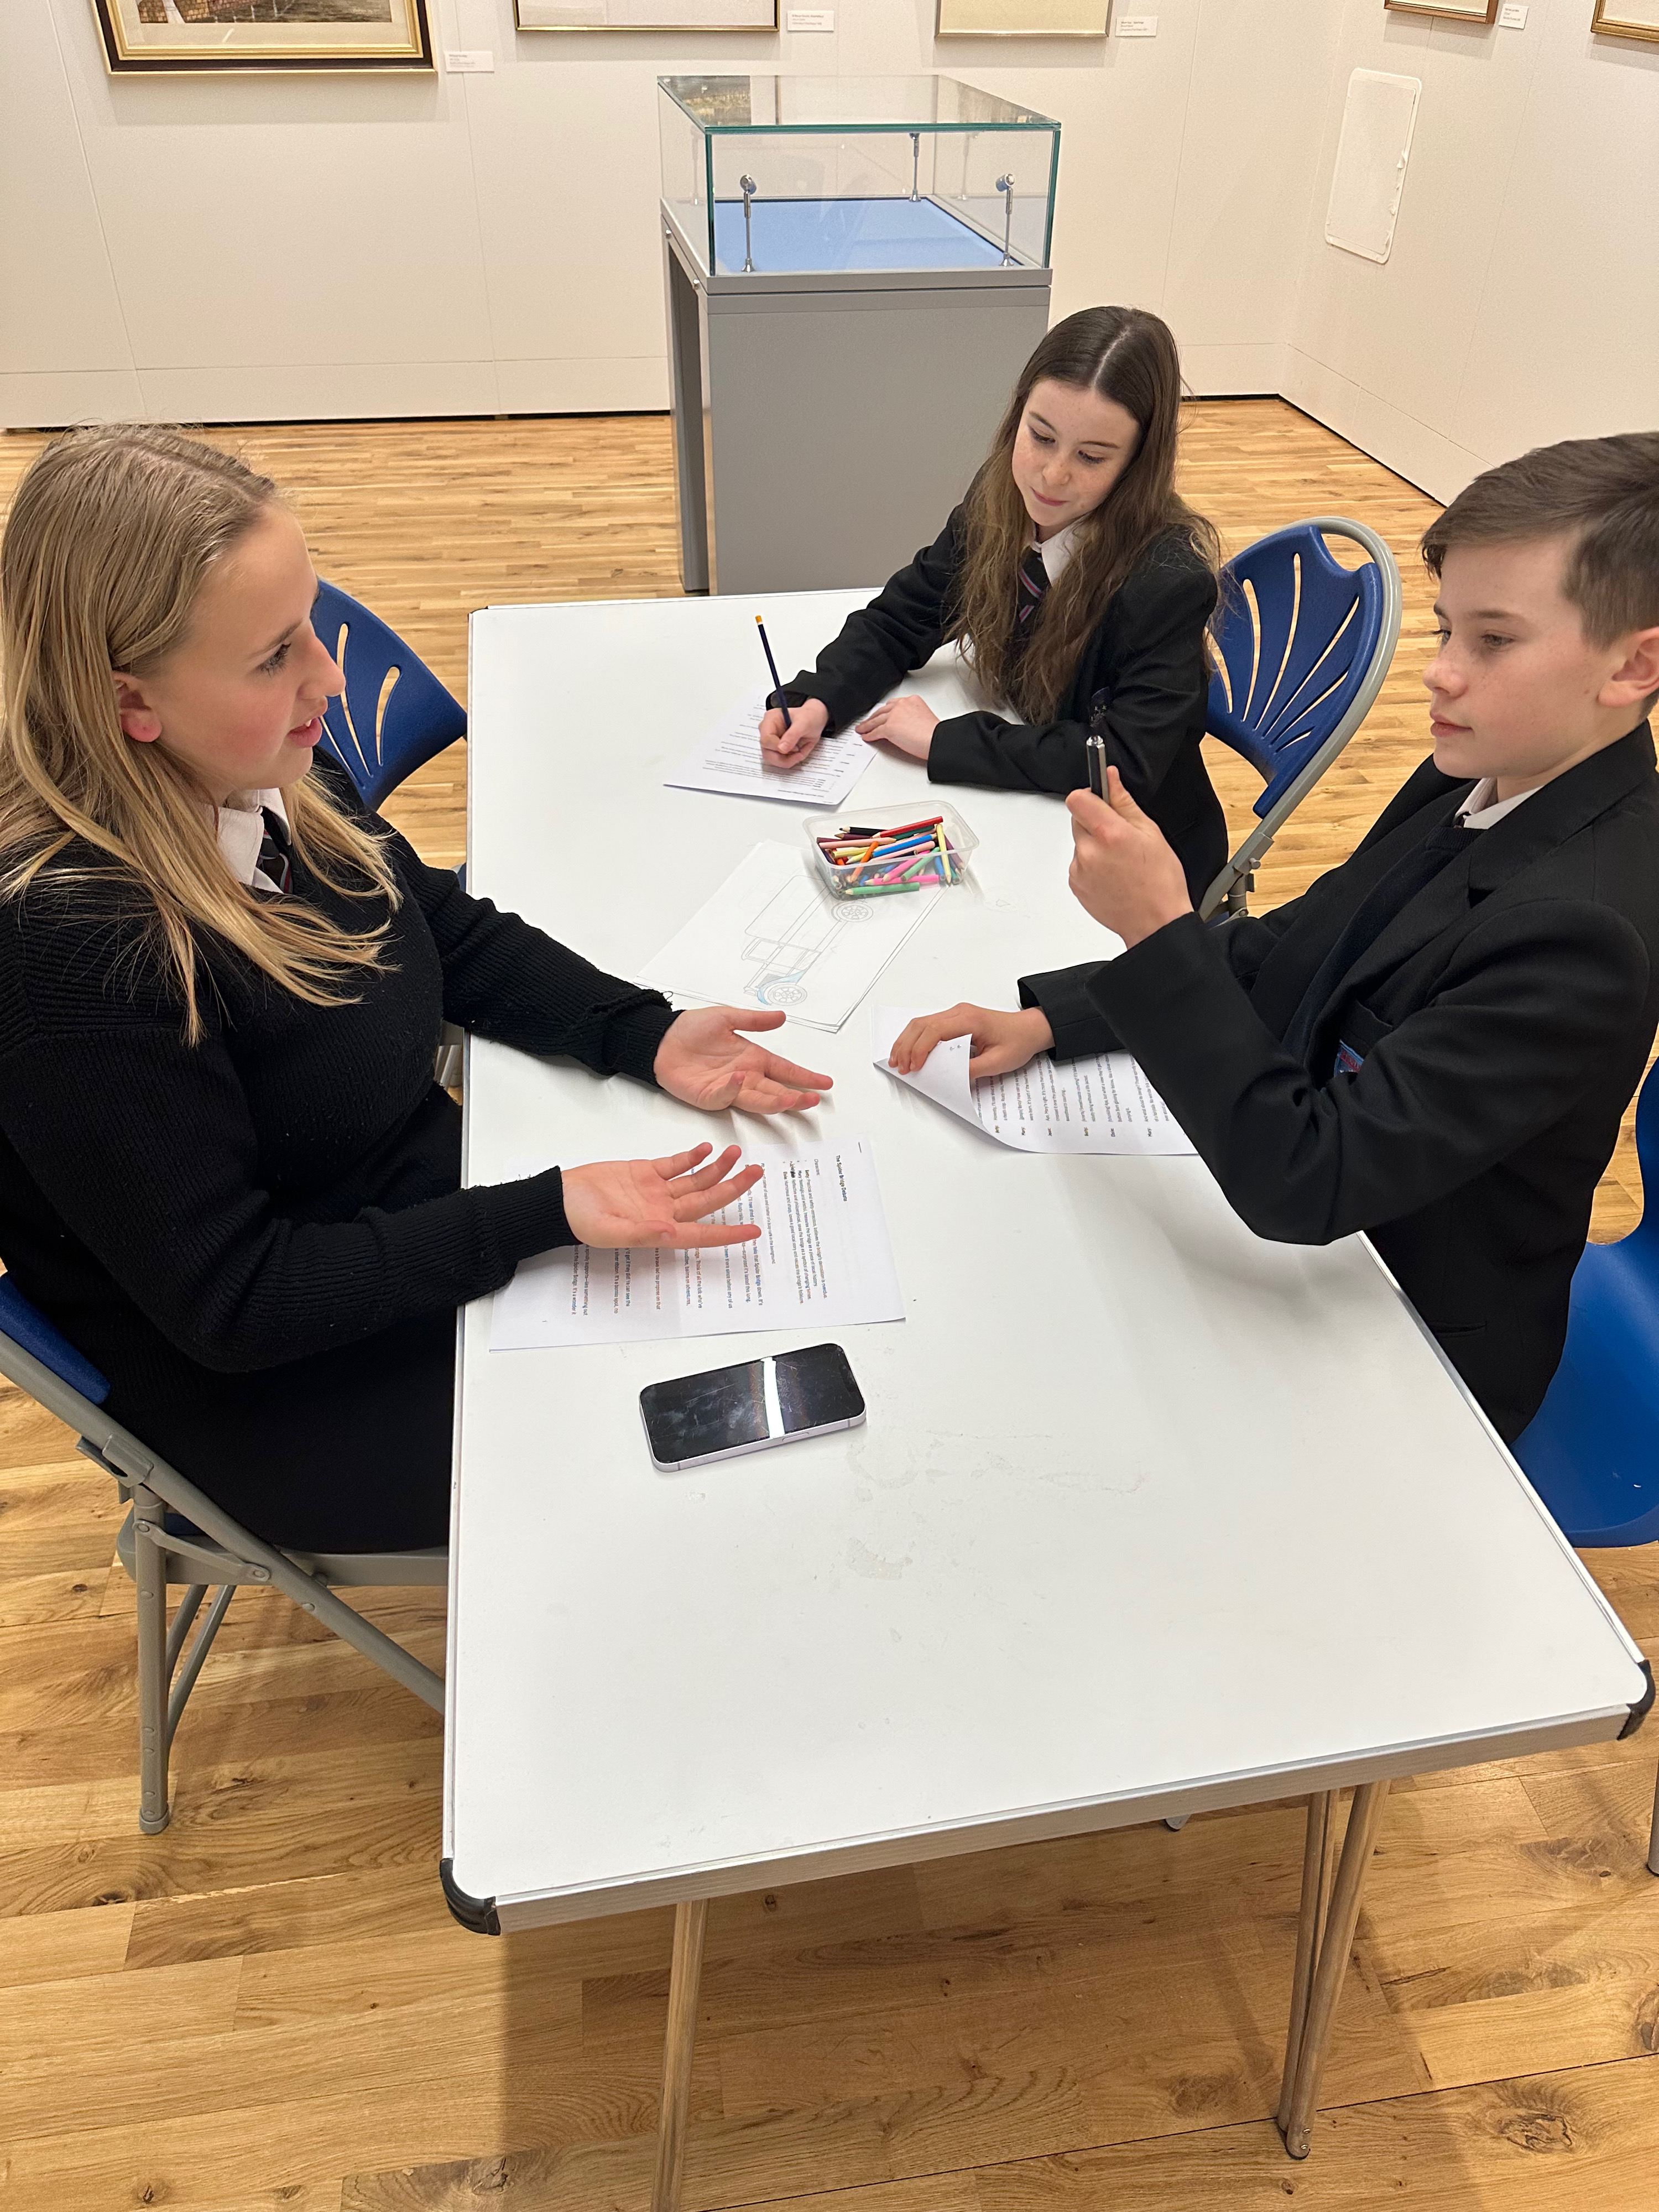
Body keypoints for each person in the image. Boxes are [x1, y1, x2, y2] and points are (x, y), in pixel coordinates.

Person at [0, 426, 832, 1551]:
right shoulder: (73, 951)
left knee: (741, 1341)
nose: (327, 680)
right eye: (273, 656)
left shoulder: (259, 763)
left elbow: (434, 921)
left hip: (390, 1209)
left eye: (309, 630)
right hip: (277, 1367)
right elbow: (235, 1300)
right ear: (129, 705)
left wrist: (645, 1031)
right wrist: (541, 1213)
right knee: (682, 1468)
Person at [889, 432, 1659, 1442]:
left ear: (1634, 666)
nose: (1440, 676)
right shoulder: (1477, 770)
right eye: (1444, 631)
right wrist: (1055, 1019)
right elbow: (1300, 940)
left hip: (1414, 1341)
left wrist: (1162, 931)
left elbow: (1309, 1181)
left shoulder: (1584, 933)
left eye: (1494, 641)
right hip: (1325, 1243)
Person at [758, 306, 1228, 906]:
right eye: (1040, 436)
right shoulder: (999, 499)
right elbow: (905, 615)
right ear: (1017, 416)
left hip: (1137, 862)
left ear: (1137, 464)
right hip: (1031, 809)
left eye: (1091, 457)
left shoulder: (1167, 582)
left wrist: (946, 741)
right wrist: (818, 699)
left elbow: (1122, 762)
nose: (1051, 475)